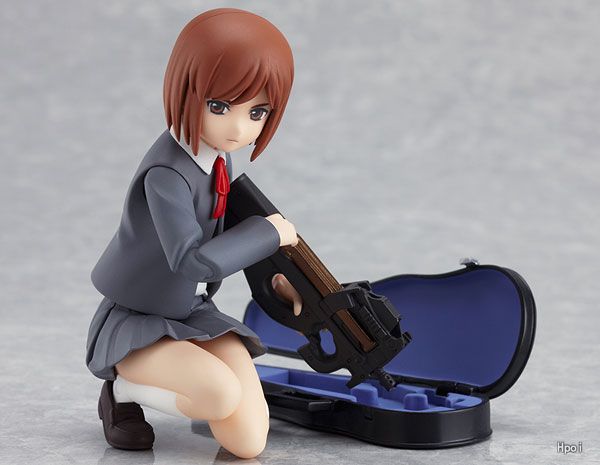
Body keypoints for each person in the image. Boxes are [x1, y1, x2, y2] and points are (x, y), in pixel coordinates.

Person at [86, 8, 301, 459]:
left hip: (193, 311)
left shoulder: (217, 155)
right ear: (185, 90)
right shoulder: (166, 173)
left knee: (248, 441)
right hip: (140, 316)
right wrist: (266, 233)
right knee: (219, 396)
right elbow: (191, 260)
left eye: (257, 111)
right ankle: (120, 390)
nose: (238, 128)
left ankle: (179, 380)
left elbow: (225, 233)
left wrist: (280, 280)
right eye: (219, 106)